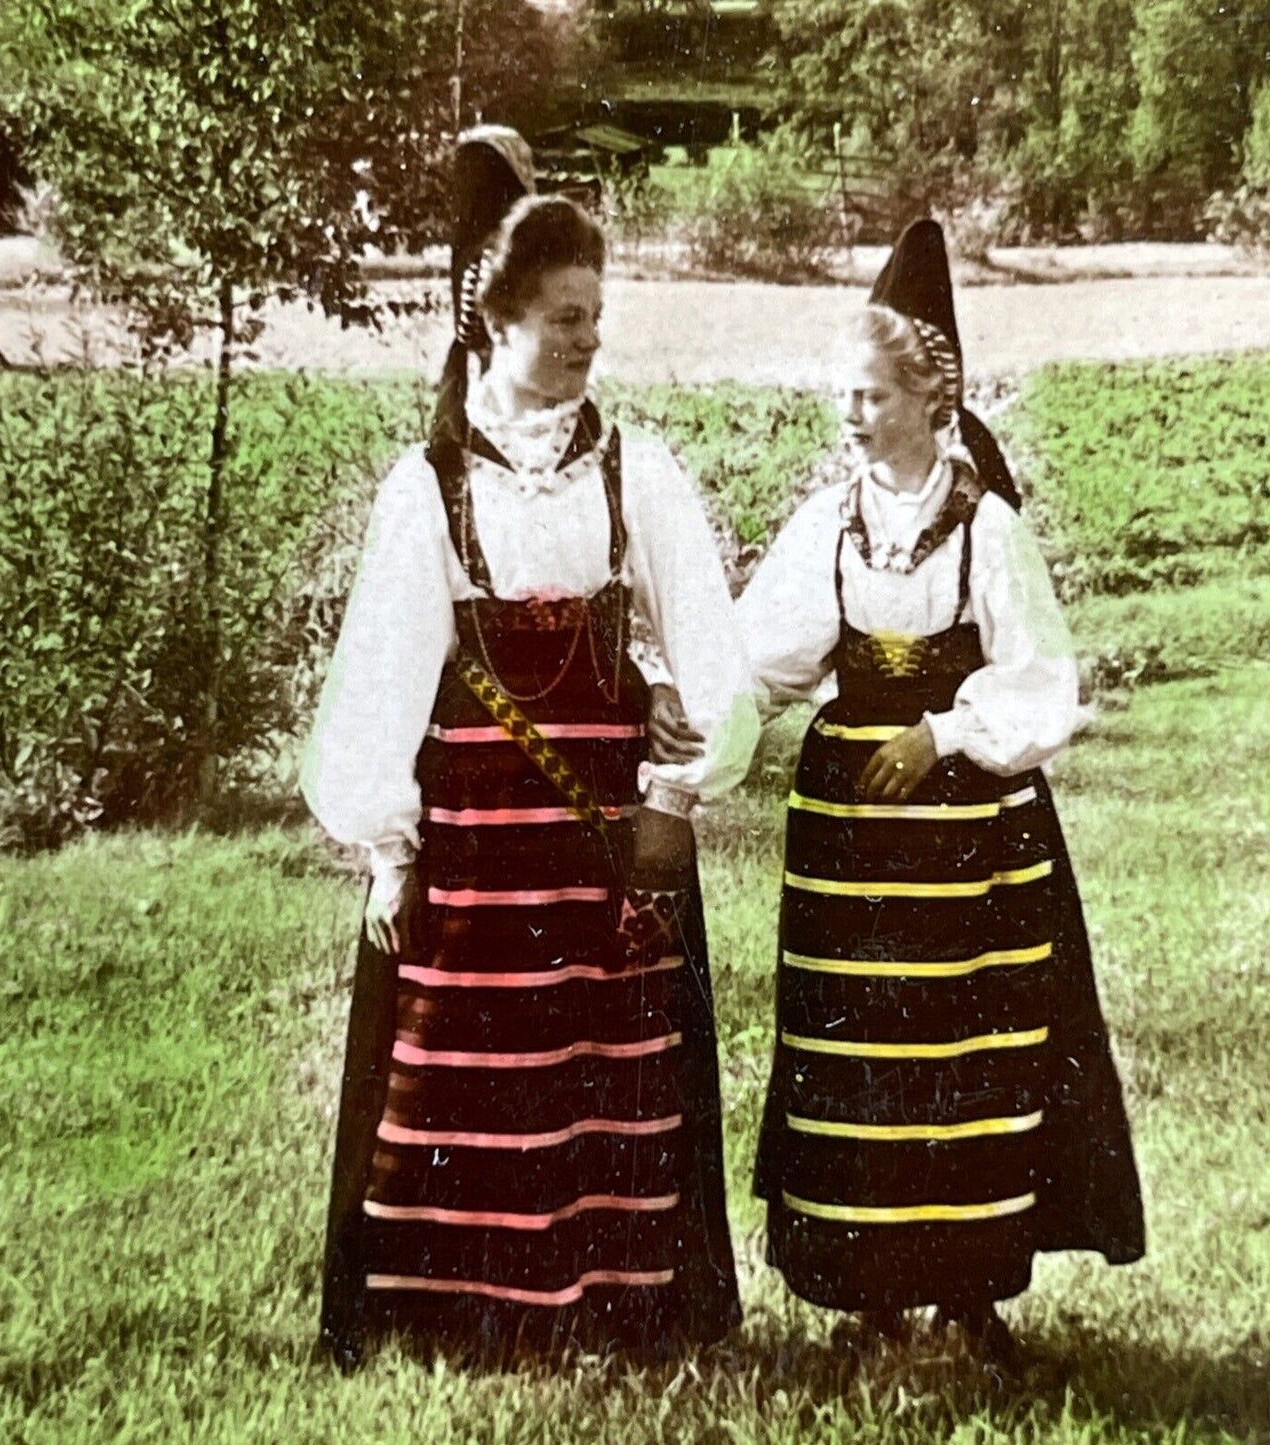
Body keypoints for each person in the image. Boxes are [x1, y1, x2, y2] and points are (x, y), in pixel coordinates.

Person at [303, 139, 759, 1367]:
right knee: (476, 1061)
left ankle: (614, 1311)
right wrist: (386, 850)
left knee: (607, 1064)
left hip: (609, 841)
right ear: (493, 320)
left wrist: (673, 786)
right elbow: (384, 680)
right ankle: (467, 1316)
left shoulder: (637, 472)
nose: (586, 344)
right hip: (480, 843)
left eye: (597, 322)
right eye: (565, 319)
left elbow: (710, 658)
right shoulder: (430, 490)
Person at [738, 219, 1145, 1362]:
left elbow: (1040, 680)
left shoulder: (988, 532)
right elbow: (758, 659)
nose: (851, 415)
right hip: (853, 841)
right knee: (862, 1049)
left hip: (966, 836)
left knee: (966, 1052)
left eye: (870, 395)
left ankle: (966, 1290)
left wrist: (942, 730)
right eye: (841, 396)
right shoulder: (826, 526)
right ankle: (868, 1289)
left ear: (930, 399)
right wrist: (679, 726)